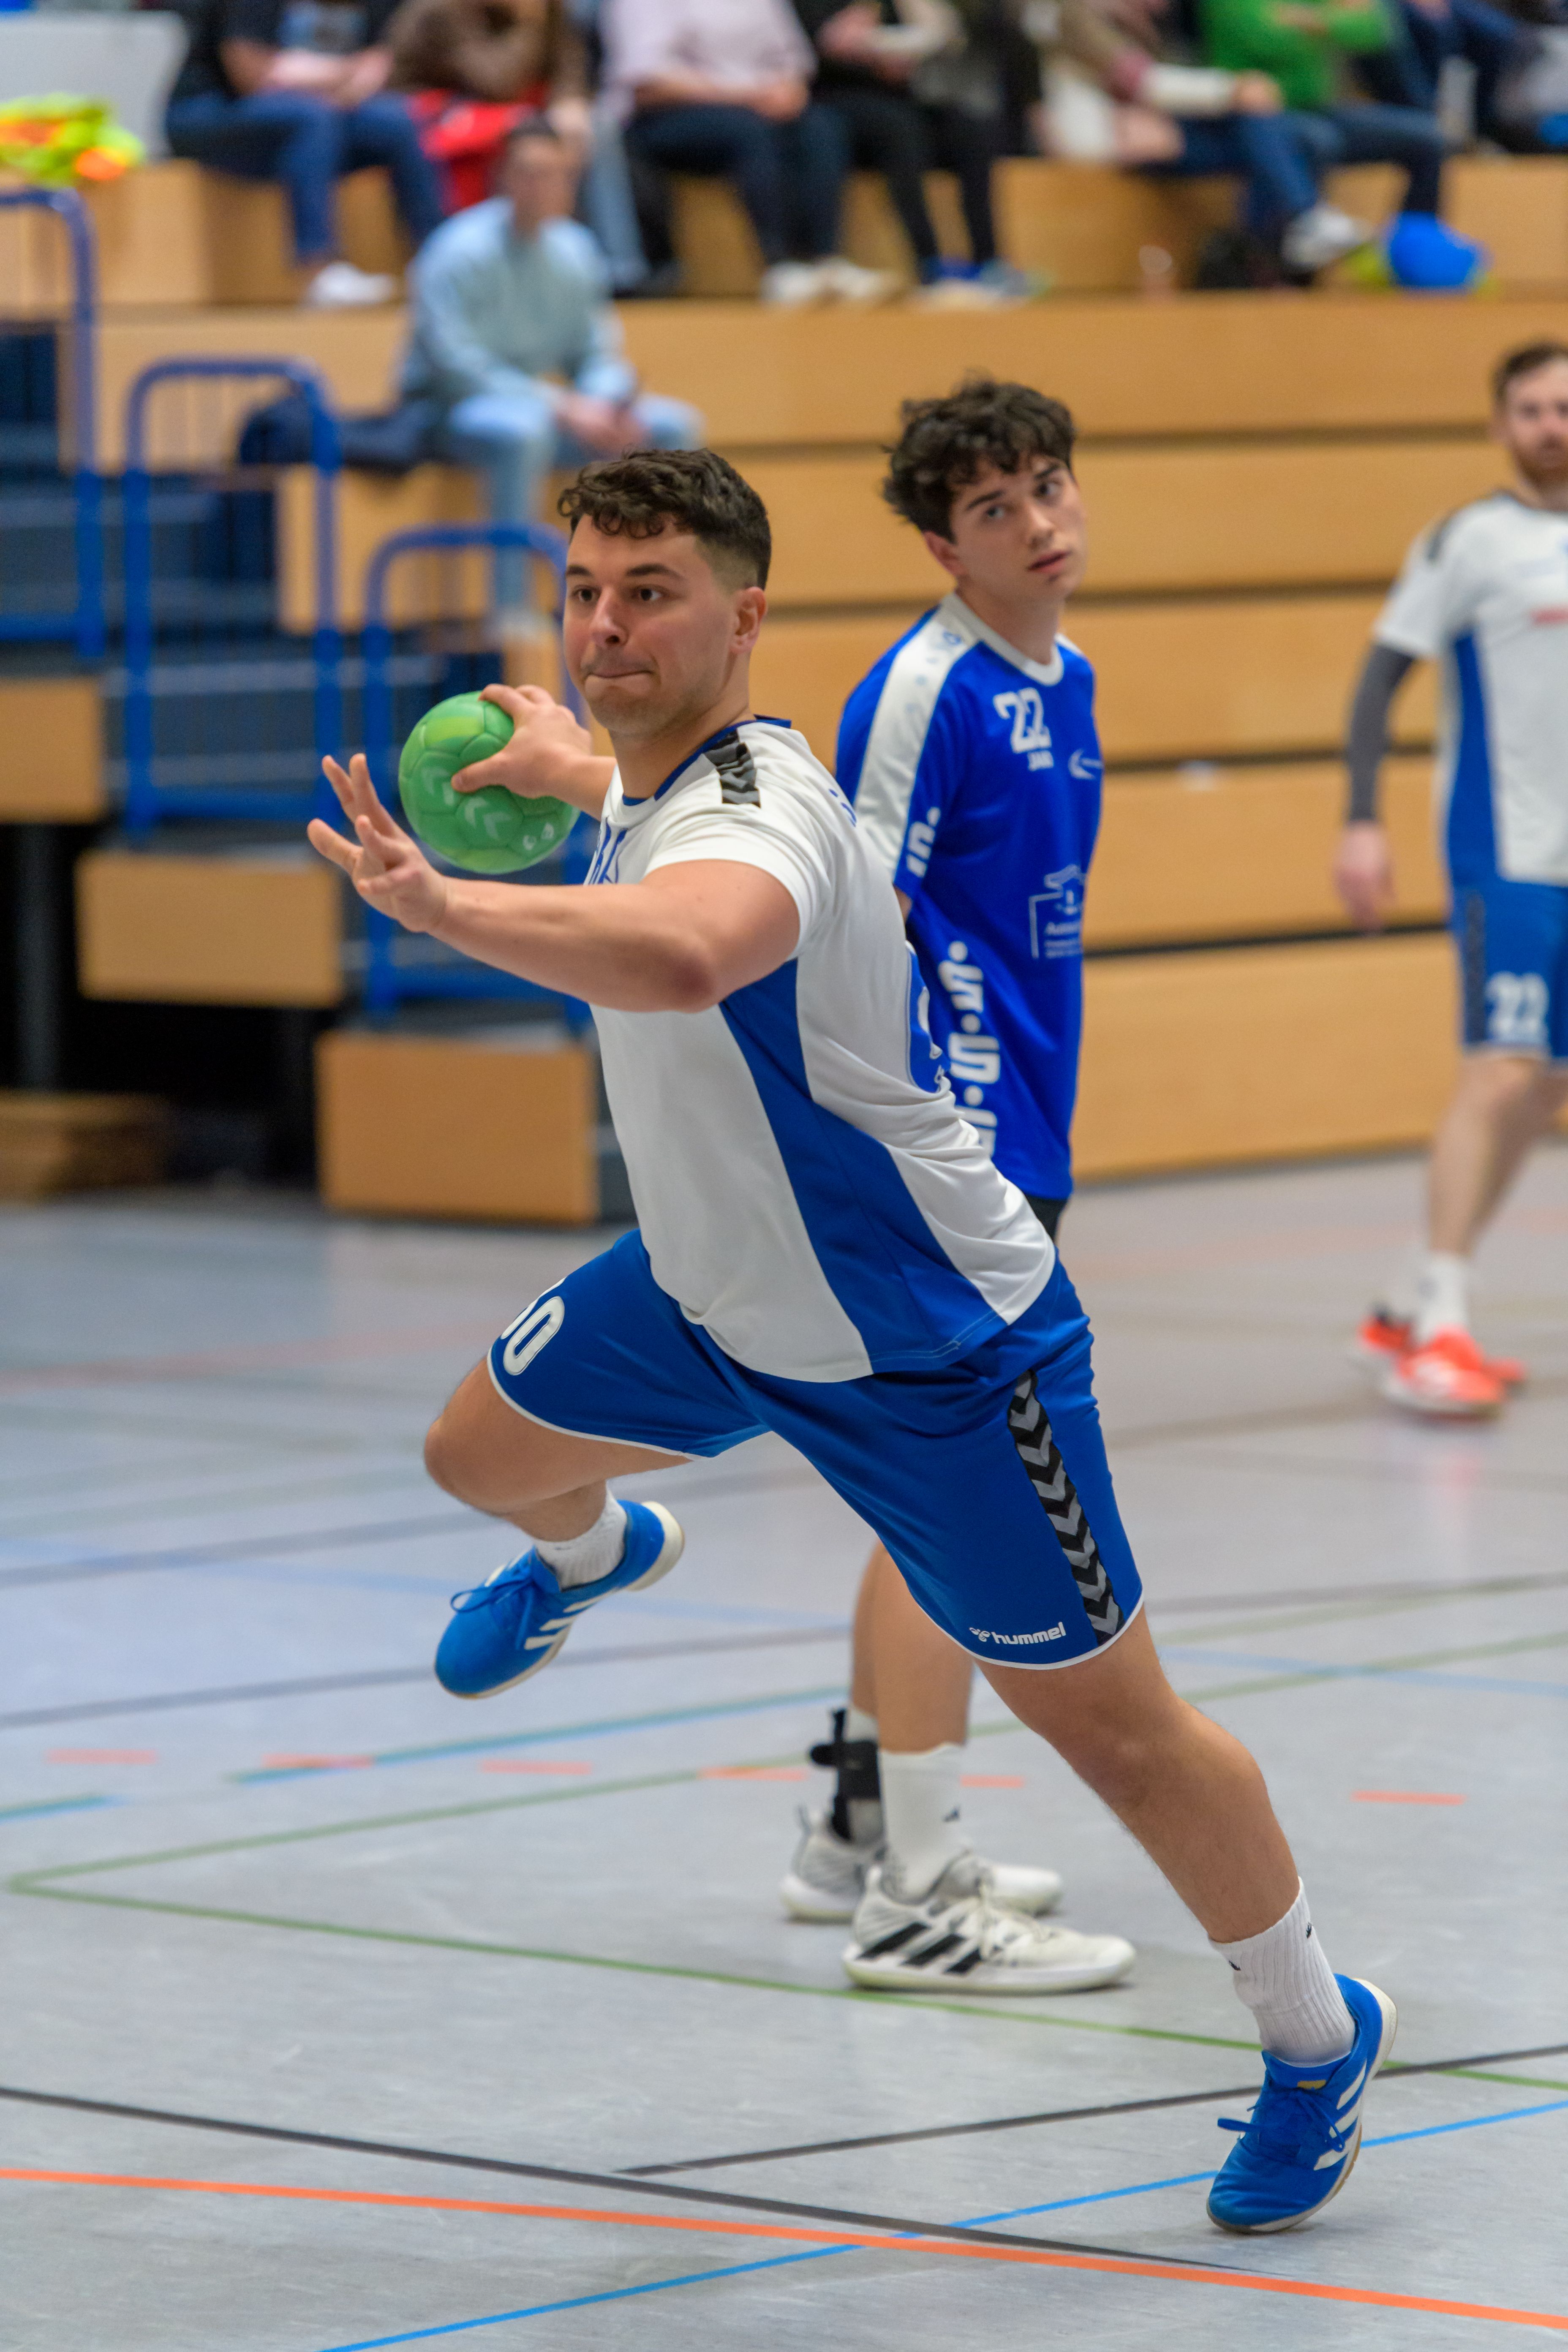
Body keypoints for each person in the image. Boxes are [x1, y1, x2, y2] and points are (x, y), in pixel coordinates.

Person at [308, 444, 1396, 2236]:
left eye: (650, 594)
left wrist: (445, 907)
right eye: (582, 593)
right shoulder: (647, 774)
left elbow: (683, 950)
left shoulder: (764, 814)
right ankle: (598, 1549)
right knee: (476, 1453)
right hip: (709, 1292)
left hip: (931, 1344)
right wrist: (565, 760)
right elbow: (619, 794)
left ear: (743, 616)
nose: (605, 627)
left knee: (1119, 1736)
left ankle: (1311, 2034)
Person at [776, 377, 1134, 1982]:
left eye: (1048, 487)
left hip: (1028, 1124)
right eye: (996, 508)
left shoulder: (1068, 675)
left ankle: (855, 1827)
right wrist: (915, 1126)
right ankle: (916, 1885)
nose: (1038, 523)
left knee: (931, 1493)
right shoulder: (925, 693)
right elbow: (850, 920)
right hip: (954, 1140)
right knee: (958, 1496)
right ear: (942, 545)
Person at [1335, 340, 1568, 1418]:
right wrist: (1360, 819)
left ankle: (1404, 1302)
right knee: (1502, 1071)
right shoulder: (1468, 541)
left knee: (1544, 1085)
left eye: (1564, 406)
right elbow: (1378, 681)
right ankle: (1437, 1329)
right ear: (1498, 425)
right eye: (1530, 409)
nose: (1551, 425)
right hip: (1502, 854)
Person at [402, 119, 702, 624]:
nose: (544, 185)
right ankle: (509, 609)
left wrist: (605, 402)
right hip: (445, 413)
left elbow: (596, 353)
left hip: (547, 411)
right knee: (522, 432)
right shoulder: (456, 250)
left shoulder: (576, 249)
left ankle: (665, 598)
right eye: (530, 172)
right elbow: (455, 367)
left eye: (557, 173)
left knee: (672, 427)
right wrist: (563, 406)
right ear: (503, 177)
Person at [1035, 0, 1371, 275]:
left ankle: (1282, 249)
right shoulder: (1078, 16)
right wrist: (1231, 91)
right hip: (1116, 144)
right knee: (1257, 118)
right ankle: (1295, 228)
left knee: (1301, 137)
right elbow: (1145, 84)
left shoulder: (1150, 21)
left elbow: (1373, 28)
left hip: (1163, 135)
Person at [601, 0, 899, 304]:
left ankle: (828, 260)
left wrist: (789, 90)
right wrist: (746, 95)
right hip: (663, 118)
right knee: (750, 132)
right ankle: (781, 267)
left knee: (822, 126)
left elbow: (793, 57)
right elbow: (647, 80)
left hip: (755, 104)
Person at [166, 0, 447, 307]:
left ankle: (436, 262)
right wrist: (344, 75)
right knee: (312, 118)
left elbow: (379, 63)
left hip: (323, 112)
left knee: (398, 120)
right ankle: (319, 271)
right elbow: (252, 75)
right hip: (214, 111)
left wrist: (331, 85)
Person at [795, 0, 1024, 296]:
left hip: (897, 97)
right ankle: (930, 263)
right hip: (835, 100)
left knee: (972, 128)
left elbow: (935, 41)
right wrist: (833, 43)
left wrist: (902, 56)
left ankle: (988, 260)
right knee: (900, 129)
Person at [1197, 0, 1451, 224]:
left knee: (1428, 138)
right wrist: (1334, 22)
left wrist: (1309, 21)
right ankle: (1278, 249)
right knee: (1315, 139)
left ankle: (1418, 246)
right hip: (1254, 119)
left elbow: (1376, 31)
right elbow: (1262, 40)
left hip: (1320, 109)